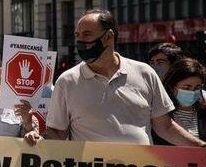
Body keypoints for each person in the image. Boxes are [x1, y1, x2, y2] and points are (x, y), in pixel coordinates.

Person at [42, 9, 205, 147]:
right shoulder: (67, 81)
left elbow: (166, 128)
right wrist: (34, 131)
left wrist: (201, 148)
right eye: (78, 35)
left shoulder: (145, 73)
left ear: (108, 37)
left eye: (87, 34)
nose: (80, 41)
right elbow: (58, 134)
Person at [156, 58, 206, 143]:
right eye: (186, 88)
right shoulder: (161, 116)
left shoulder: (203, 113)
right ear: (172, 87)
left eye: (197, 87)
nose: (192, 92)